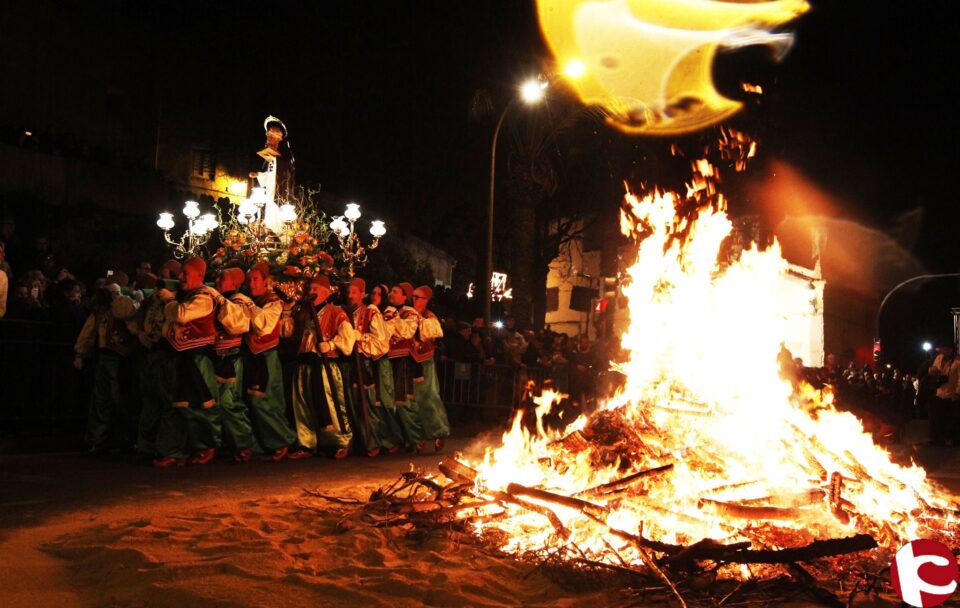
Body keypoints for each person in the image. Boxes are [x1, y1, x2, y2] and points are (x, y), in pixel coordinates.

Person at [157, 257, 223, 466]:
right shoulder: (188, 295)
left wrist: (169, 301)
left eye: (185, 273)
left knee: (199, 404)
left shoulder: (203, 298)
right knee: (175, 404)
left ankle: (207, 445)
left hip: (196, 358)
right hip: (179, 356)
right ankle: (174, 451)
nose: (180, 277)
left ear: (199, 275)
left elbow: (181, 314)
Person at [290, 275, 355, 458]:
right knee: (302, 404)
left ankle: (340, 441)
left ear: (326, 293)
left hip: (324, 367)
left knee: (331, 402)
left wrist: (332, 345)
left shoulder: (336, 312)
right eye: (309, 289)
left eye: (315, 290)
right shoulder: (302, 312)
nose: (310, 293)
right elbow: (288, 332)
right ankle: (306, 443)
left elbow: (348, 339)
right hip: (304, 363)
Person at [243, 264, 303, 461]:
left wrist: (248, 306)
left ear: (266, 282)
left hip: (266, 356)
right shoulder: (249, 299)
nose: (251, 284)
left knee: (265, 400)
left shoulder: (273, 302)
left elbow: (263, 327)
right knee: (254, 400)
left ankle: (283, 440)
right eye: (249, 280)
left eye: (255, 280)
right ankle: (262, 443)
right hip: (251, 356)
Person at [74, 282, 139, 453]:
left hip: (119, 358)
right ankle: (98, 437)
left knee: (119, 398)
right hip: (104, 356)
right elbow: (89, 332)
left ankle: (124, 436)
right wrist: (80, 353)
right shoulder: (100, 313)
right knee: (101, 398)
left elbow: (134, 330)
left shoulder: (123, 310)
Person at [347, 277, 402, 456]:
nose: (350, 295)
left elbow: (381, 342)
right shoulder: (346, 311)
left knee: (372, 404)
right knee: (355, 403)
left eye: (354, 292)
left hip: (370, 363)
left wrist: (361, 338)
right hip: (351, 363)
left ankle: (380, 440)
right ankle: (363, 441)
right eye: (348, 292)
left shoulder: (372, 312)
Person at [212, 268, 259, 462]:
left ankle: (244, 443)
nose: (216, 281)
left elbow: (238, 325)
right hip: (215, 357)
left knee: (229, 402)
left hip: (230, 357)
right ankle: (223, 443)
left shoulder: (238, 300)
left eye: (222, 278)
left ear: (234, 283)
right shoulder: (217, 299)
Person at [134, 275, 177, 458]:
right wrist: (140, 334)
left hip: (163, 355)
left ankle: (164, 446)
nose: (158, 290)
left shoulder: (172, 305)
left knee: (165, 400)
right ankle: (145, 444)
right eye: (156, 286)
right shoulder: (149, 303)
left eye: (162, 286)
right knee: (149, 401)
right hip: (148, 353)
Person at [384, 283, 427, 452]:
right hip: (386, 358)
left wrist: (393, 317)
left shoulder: (410, 313)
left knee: (404, 401)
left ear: (404, 297)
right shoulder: (385, 311)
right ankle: (398, 439)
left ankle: (416, 437)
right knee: (388, 401)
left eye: (395, 291)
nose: (391, 294)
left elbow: (406, 332)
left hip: (403, 361)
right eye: (391, 291)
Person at [411, 285, 451, 451]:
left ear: (426, 300)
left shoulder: (429, 317)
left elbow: (433, 333)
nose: (413, 300)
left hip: (424, 361)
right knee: (412, 400)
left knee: (428, 396)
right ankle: (417, 435)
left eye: (417, 297)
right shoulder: (407, 313)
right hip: (409, 361)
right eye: (412, 296)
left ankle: (438, 431)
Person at [927, 338, 960, 446]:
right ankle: (935, 438)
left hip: (951, 394)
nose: (941, 352)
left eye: (943, 350)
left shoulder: (958, 360)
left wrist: (958, 392)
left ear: (950, 349)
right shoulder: (939, 358)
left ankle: (951, 438)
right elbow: (933, 369)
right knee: (936, 417)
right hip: (939, 392)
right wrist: (932, 370)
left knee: (951, 418)